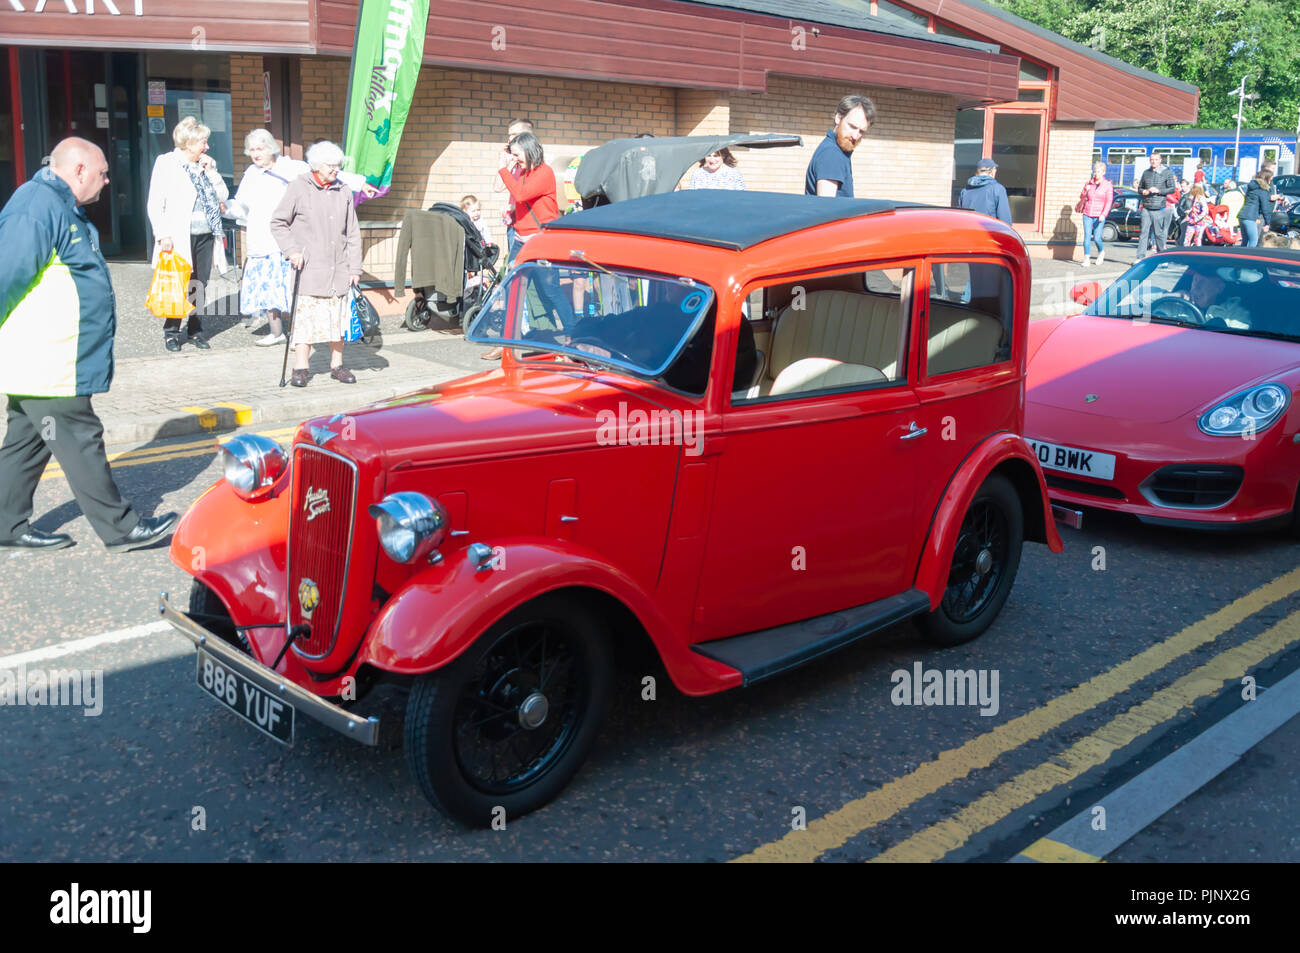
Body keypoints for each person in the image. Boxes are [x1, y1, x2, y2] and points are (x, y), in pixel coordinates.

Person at [0, 138, 177, 553]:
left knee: (27, 441)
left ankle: (5, 524)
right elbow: (5, 274)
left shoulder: (58, 205)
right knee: (78, 436)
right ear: (78, 169)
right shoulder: (37, 206)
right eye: (102, 172)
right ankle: (120, 528)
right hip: (49, 359)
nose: (107, 179)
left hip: (45, 361)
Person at [226, 129, 375, 347]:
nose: (255, 154)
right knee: (268, 292)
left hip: (288, 243)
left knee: (294, 292)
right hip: (261, 240)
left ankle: (300, 335)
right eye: (252, 150)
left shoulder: (291, 167)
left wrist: (359, 184)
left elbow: (328, 171)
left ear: (270, 148)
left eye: (260, 148)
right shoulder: (251, 174)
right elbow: (242, 207)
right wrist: (225, 207)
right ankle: (276, 332)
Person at [269, 140, 361, 388]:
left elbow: (352, 232)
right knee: (305, 320)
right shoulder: (299, 187)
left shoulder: (343, 190)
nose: (335, 170)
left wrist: (355, 268)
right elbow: (278, 222)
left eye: (338, 166)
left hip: (338, 268)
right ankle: (301, 367)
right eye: (331, 165)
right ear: (317, 166)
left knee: (337, 321)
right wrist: (292, 251)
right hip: (309, 267)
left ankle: (337, 365)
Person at [146, 116, 229, 352]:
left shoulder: (204, 164)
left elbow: (221, 195)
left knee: (199, 284)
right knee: (177, 283)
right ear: (190, 143)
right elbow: (155, 202)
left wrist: (211, 171)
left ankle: (195, 329)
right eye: (203, 142)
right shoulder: (167, 163)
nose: (207, 146)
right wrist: (162, 234)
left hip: (204, 234)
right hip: (178, 236)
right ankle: (171, 332)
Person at [805, 94, 876, 197]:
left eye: (861, 131)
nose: (855, 136)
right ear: (838, 118)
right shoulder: (832, 154)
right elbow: (826, 207)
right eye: (852, 126)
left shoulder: (838, 151)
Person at [492, 118, 534, 253]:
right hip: (513, 225)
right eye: (509, 135)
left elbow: (531, 197)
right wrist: (505, 162)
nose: (510, 139)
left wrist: (512, 206)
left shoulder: (532, 164)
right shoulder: (515, 162)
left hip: (528, 228)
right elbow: (498, 187)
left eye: (514, 135)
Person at [1136, 152, 1177, 259]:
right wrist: (1143, 191)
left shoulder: (1167, 173)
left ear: (1160, 160)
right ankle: (1140, 257)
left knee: (1159, 234)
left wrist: (1159, 191)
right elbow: (1139, 188)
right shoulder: (1146, 173)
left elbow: (1172, 188)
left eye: (1155, 159)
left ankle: (1162, 257)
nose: (1153, 161)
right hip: (1146, 206)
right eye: (1151, 159)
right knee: (1143, 233)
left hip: (1159, 207)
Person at [1077, 161, 1114, 266]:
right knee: (1087, 237)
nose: (1096, 174)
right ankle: (1087, 259)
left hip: (1099, 215)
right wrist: (1085, 191)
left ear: (1103, 172)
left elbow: (1109, 201)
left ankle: (1101, 252)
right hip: (1087, 213)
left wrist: (1104, 214)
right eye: (1095, 171)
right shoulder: (1089, 183)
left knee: (1097, 238)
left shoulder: (1107, 185)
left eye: (1098, 171)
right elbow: (1082, 197)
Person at [958, 156, 1012, 225]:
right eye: (995, 169)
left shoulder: (965, 191)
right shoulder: (998, 189)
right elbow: (1005, 220)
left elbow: (960, 217)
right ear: (991, 171)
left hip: (968, 231)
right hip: (988, 232)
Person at [1238, 167, 1277, 248]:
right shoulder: (1262, 190)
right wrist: (1267, 223)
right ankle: (1249, 259)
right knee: (1253, 240)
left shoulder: (1252, 187)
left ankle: (1240, 258)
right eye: (1271, 178)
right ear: (1267, 178)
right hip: (1250, 217)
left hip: (1242, 215)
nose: (1271, 181)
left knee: (1245, 241)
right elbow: (1265, 208)